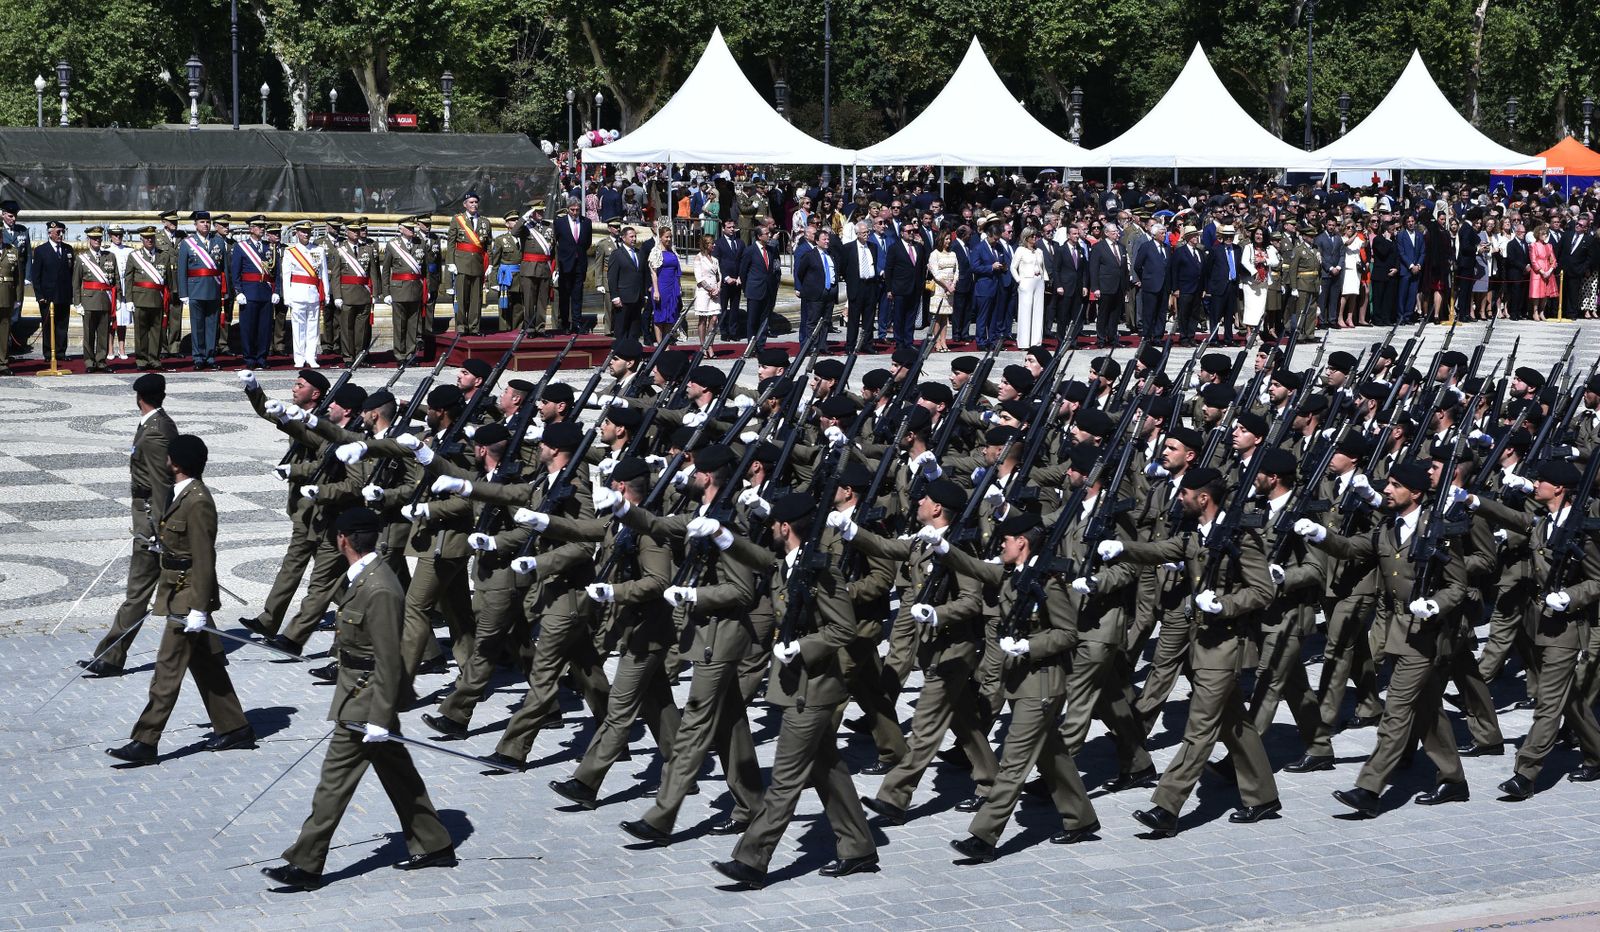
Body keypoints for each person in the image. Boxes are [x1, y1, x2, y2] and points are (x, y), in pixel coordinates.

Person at [260, 506, 456, 892]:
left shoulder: (379, 588)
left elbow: (388, 658)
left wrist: (380, 718)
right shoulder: (363, 577)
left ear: (342, 540)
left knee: (333, 783)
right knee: (399, 774)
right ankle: (434, 843)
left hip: (366, 698)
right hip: (358, 687)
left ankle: (306, 863)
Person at [106, 434, 255, 765]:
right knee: (206, 664)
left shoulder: (198, 500)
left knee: (167, 670)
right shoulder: (181, 494)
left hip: (189, 596)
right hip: (177, 589)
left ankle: (145, 741)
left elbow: (204, 557)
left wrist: (200, 608)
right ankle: (235, 727)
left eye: (169, 457)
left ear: (176, 462)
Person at [78, 373, 176, 676]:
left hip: (150, 518)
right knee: (180, 586)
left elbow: (161, 484)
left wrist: (158, 526)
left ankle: (110, 656)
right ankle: (210, 650)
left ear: (139, 398)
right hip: (149, 515)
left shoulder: (156, 431)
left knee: (139, 590)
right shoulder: (156, 424)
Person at [71, 226, 119, 372]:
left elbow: (115, 279)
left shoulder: (109, 256)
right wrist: (77, 302)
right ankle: (89, 362)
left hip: (105, 299)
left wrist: (117, 298)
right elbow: (76, 282)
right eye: (94, 238)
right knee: (89, 333)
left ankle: (101, 361)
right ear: (89, 240)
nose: (97, 240)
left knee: (103, 333)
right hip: (89, 300)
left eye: (99, 238)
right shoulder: (82, 258)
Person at [446, 191, 492, 335]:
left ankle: (474, 327)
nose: (474, 205)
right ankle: (461, 327)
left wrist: (489, 263)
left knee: (476, 300)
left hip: (478, 264)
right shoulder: (457, 220)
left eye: (476, 202)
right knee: (461, 299)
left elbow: (489, 245)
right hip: (461, 264)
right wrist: (451, 262)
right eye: (471, 202)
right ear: (465, 205)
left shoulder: (485, 222)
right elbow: (451, 243)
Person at [32, 220, 74, 362]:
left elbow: (72, 273)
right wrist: (39, 295)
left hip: (64, 295)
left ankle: (61, 353)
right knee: (48, 326)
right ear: (50, 233)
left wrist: (72, 295)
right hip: (47, 296)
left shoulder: (68, 249)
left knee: (62, 325)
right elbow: (35, 275)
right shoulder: (41, 250)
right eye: (58, 232)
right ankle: (49, 353)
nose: (61, 234)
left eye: (62, 232)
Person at [608, 225, 648, 341]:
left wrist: (645, 294)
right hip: (623, 298)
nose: (634, 239)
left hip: (637, 298)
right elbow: (612, 277)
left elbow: (643, 274)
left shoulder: (639, 253)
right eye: (631, 237)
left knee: (634, 329)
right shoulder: (617, 254)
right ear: (623, 238)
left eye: (635, 236)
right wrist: (615, 296)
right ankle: (620, 353)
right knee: (621, 328)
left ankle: (632, 353)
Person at [1237, 226, 1276, 344]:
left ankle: (1257, 332)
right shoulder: (1249, 247)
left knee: (1260, 309)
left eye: (1261, 234)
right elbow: (1244, 261)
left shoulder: (1269, 248)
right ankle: (1249, 332)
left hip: (1263, 282)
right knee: (1250, 307)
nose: (1259, 236)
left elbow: (1276, 261)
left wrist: (1264, 260)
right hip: (1250, 282)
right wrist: (1254, 272)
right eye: (1257, 234)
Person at [1011, 228, 1047, 349]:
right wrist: (1019, 280)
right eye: (1032, 236)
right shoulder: (1020, 250)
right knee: (1025, 312)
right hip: (1026, 281)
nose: (1034, 238)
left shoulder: (1039, 251)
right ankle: (1024, 342)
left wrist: (1044, 280)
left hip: (1039, 281)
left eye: (1035, 236)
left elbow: (1043, 267)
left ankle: (1036, 342)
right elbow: (1013, 267)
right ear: (1026, 237)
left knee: (1038, 311)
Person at [648, 221, 681, 343]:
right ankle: (660, 345)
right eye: (666, 237)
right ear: (660, 237)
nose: (669, 239)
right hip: (661, 288)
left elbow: (677, 271)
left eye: (670, 237)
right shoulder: (655, 252)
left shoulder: (672, 251)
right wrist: (656, 290)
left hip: (672, 287)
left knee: (670, 317)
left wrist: (679, 288)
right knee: (659, 317)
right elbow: (653, 272)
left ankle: (666, 343)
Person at [927, 229, 958, 352]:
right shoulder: (934, 254)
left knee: (945, 316)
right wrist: (947, 286)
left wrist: (953, 284)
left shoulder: (953, 254)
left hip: (950, 288)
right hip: (940, 287)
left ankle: (944, 341)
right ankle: (937, 341)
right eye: (946, 239)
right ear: (941, 240)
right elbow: (935, 272)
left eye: (949, 239)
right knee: (938, 315)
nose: (948, 241)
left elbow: (956, 270)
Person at [106, 226, 133, 361]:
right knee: (111, 321)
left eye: (120, 235)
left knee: (122, 320)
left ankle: (122, 347)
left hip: (125, 287)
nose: (118, 237)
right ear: (110, 235)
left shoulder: (129, 250)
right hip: (112, 289)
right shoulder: (106, 251)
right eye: (115, 235)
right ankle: (110, 348)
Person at [690, 234, 721, 347]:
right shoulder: (699, 257)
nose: (714, 245)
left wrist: (717, 288)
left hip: (715, 293)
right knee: (702, 319)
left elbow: (719, 275)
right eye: (712, 243)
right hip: (703, 292)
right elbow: (699, 277)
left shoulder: (715, 259)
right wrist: (710, 289)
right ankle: (703, 346)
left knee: (714, 318)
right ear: (706, 244)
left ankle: (710, 344)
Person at [1529, 223, 1557, 322]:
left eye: (1546, 234)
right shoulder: (1533, 245)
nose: (1545, 235)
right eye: (1543, 234)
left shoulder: (1549, 246)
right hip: (1537, 271)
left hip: (1547, 270)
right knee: (1536, 292)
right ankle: (1535, 311)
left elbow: (1553, 260)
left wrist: (1549, 271)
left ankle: (1542, 311)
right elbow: (1533, 260)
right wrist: (1541, 271)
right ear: (1538, 234)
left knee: (1545, 293)